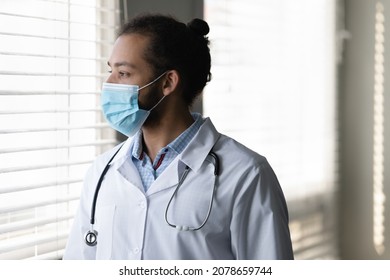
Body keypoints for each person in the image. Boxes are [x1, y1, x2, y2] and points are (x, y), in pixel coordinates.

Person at [63, 13, 294, 260]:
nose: (108, 83)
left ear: (168, 82)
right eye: (111, 71)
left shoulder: (246, 174)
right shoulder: (102, 172)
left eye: (123, 73)